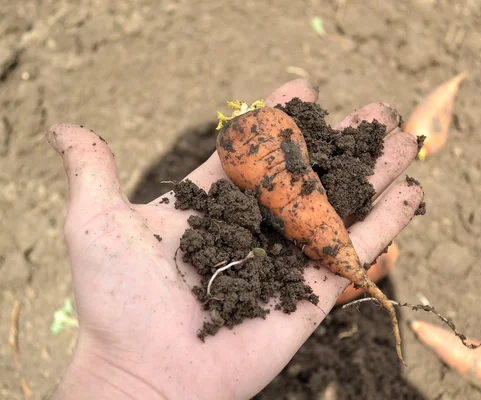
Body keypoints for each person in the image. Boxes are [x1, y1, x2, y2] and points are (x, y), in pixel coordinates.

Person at [46, 78, 424, 399]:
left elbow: (300, 178)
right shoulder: (238, 144)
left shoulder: (256, 139)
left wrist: (127, 381)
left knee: (308, 202)